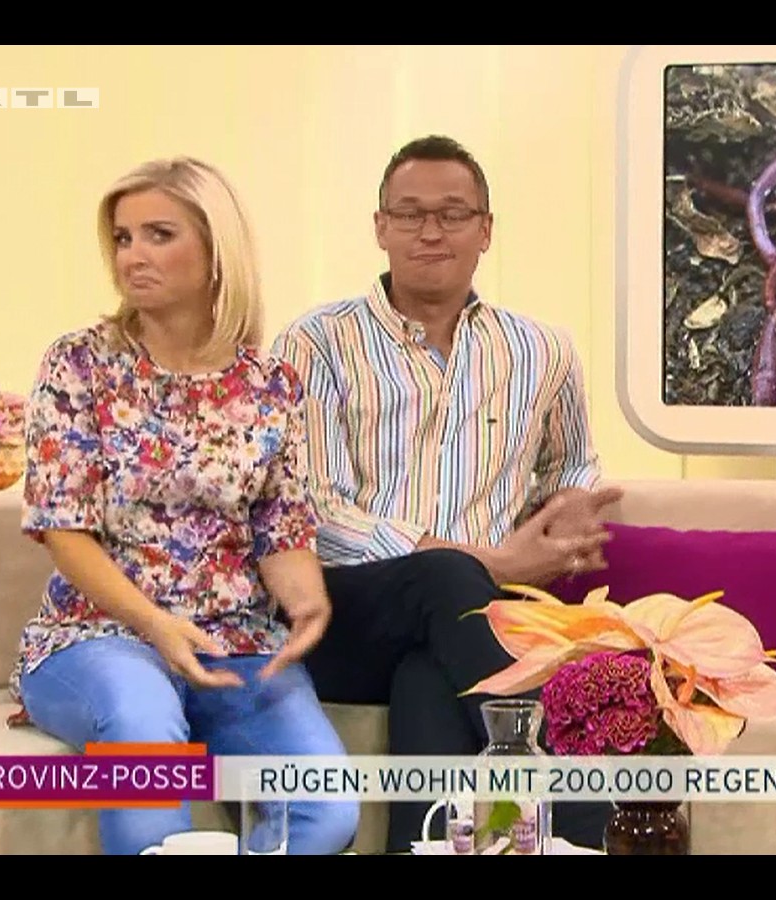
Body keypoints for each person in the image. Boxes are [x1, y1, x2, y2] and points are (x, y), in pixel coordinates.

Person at [271, 134, 622, 853]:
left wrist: (569, 515)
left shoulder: (542, 351)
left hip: (471, 627)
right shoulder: (317, 342)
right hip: (343, 614)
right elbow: (312, 507)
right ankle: (590, 830)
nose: (430, 231)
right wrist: (487, 562)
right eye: (409, 214)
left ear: (485, 230)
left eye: (453, 214)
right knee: (443, 579)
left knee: (430, 676)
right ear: (380, 227)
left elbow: (573, 465)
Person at [8, 156, 360, 856]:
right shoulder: (79, 363)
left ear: (216, 250)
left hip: (233, 643)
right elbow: (63, 530)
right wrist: (156, 625)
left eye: (159, 235)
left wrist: (308, 601)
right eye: (122, 238)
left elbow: (279, 522)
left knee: (326, 807)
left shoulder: (271, 383)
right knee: (144, 729)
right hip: (99, 635)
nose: (132, 256)